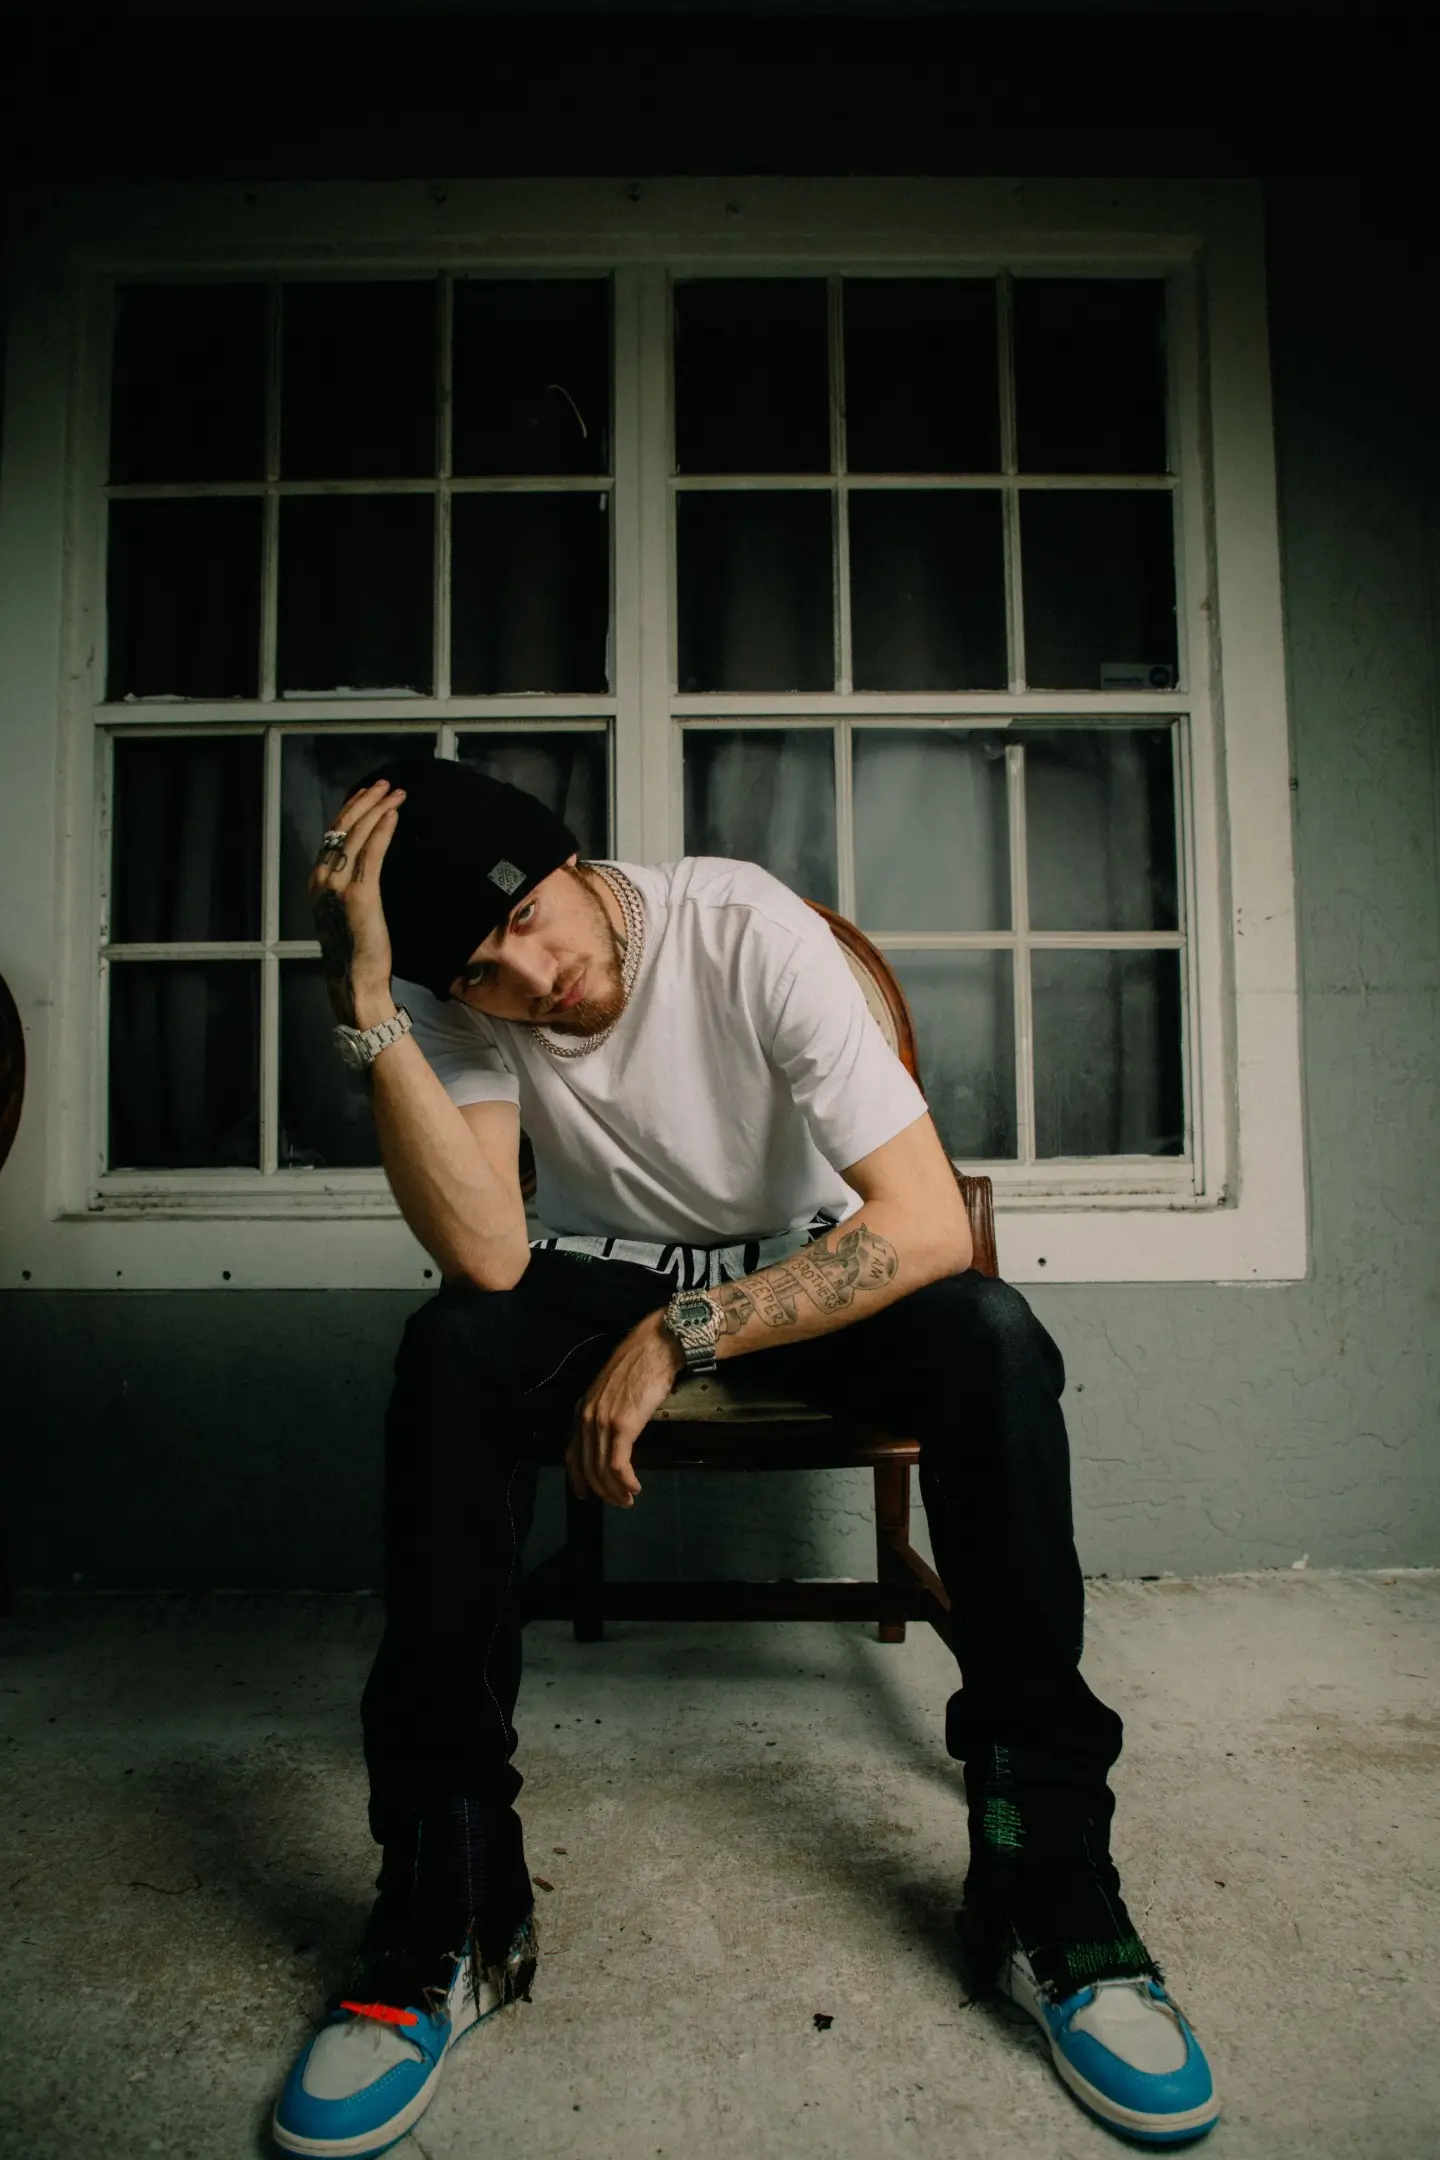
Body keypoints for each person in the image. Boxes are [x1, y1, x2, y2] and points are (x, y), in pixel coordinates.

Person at [271, 757, 1219, 2157]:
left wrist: (686, 1333)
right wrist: (371, 1003)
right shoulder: (453, 1005)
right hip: (592, 1275)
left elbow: (924, 1222)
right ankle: (448, 1906)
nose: (534, 977)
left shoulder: (741, 924)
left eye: (529, 917)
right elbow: (485, 1254)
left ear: (570, 861)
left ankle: (1047, 1883)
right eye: (480, 971)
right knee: (452, 1355)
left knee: (993, 1339)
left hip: (809, 1268)